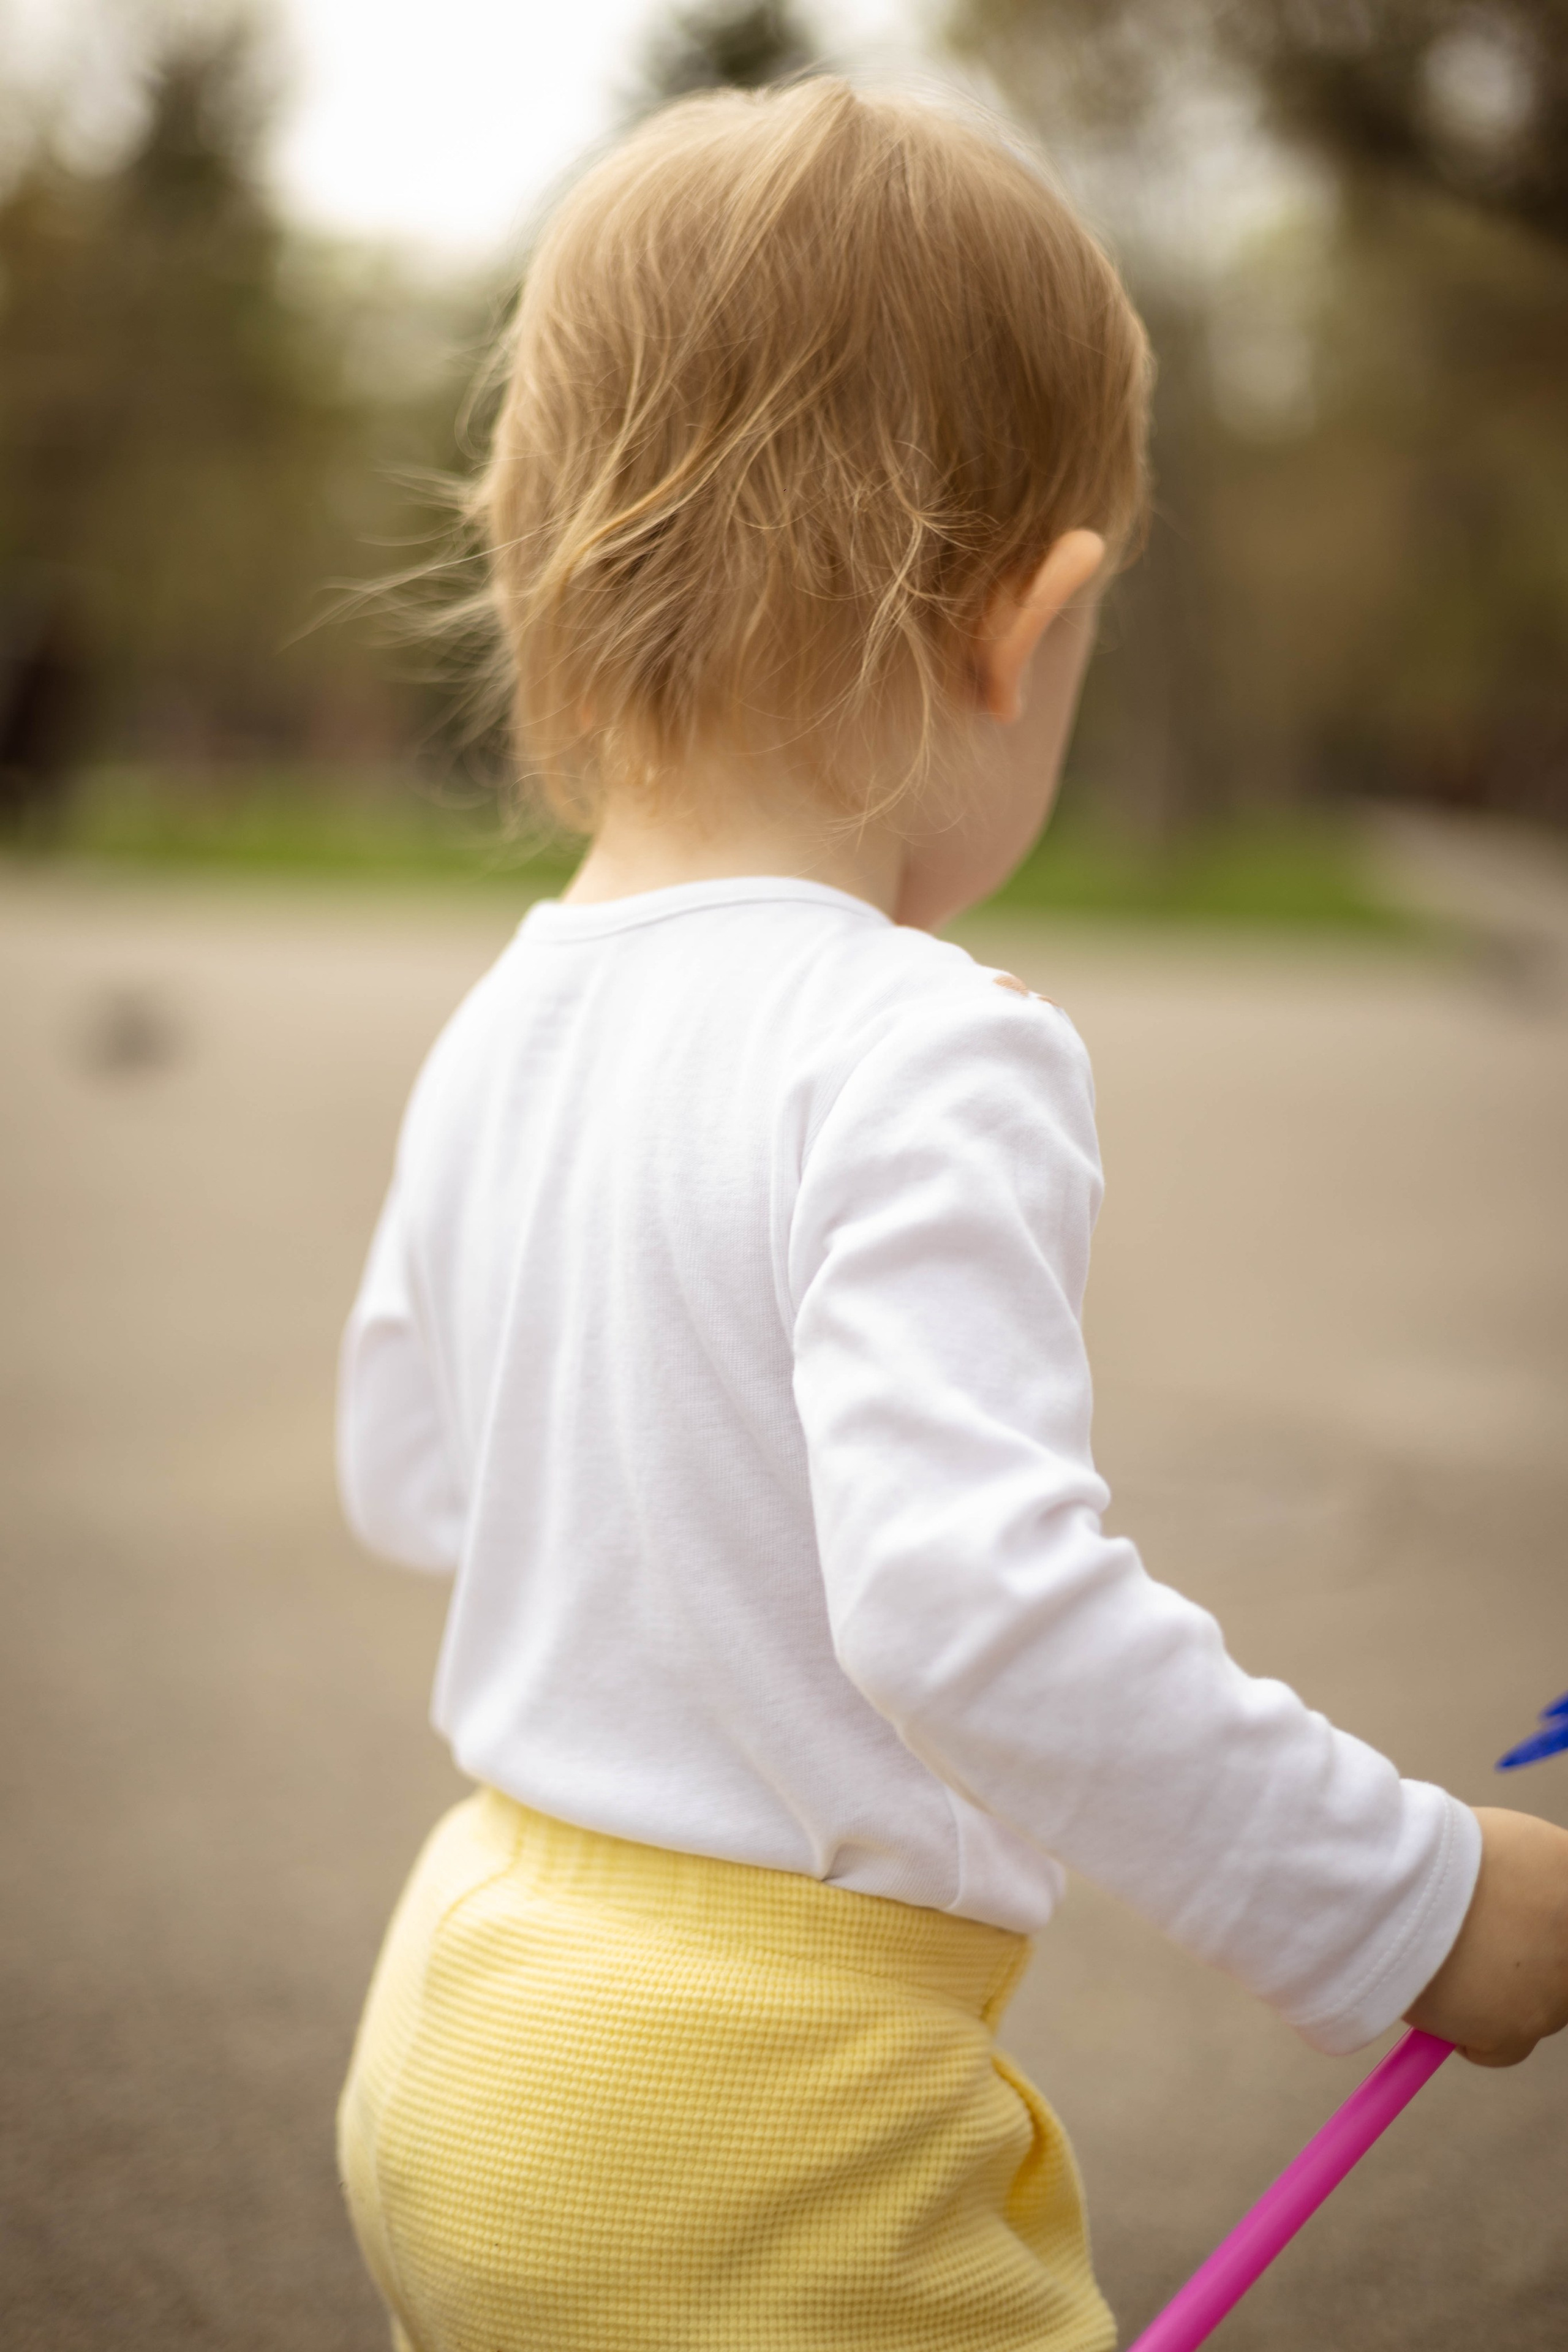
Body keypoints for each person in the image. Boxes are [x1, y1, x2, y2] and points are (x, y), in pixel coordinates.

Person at [333, 78, 1568, 2352]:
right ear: (1033, 624)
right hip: (749, 2119)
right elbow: (966, 1611)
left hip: (470, 2014)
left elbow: (411, 1475)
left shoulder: (509, 1018)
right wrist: (1415, 1902)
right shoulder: (916, 1042)